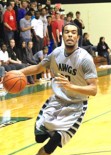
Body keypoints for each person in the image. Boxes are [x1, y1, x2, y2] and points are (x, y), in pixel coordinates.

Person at [10, 23, 98, 155]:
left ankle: (56, 136)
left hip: (76, 106)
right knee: (39, 138)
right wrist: (19, 73)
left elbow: (93, 89)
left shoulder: (85, 59)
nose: (70, 34)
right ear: (62, 35)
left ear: (78, 37)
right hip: (56, 101)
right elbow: (38, 68)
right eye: (67, 32)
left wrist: (70, 86)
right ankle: (52, 130)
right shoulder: (56, 53)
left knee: (52, 145)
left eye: (73, 32)